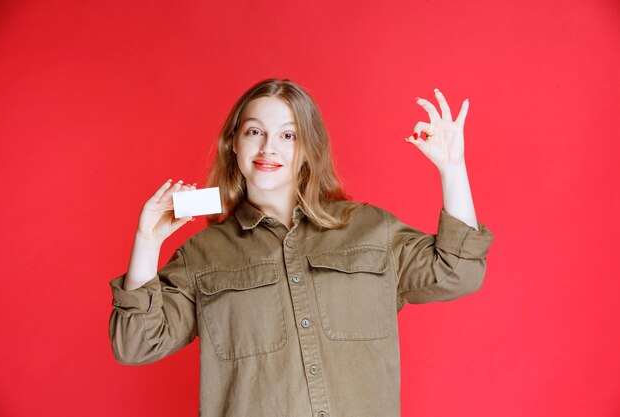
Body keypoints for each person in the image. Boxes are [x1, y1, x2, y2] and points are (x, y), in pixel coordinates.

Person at [109, 79, 493, 417]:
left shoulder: (370, 229)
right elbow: (136, 344)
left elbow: (459, 272)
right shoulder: (204, 255)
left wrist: (453, 168)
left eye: (288, 135)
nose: (269, 148)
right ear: (233, 145)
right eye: (254, 132)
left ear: (309, 149)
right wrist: (147, 241)